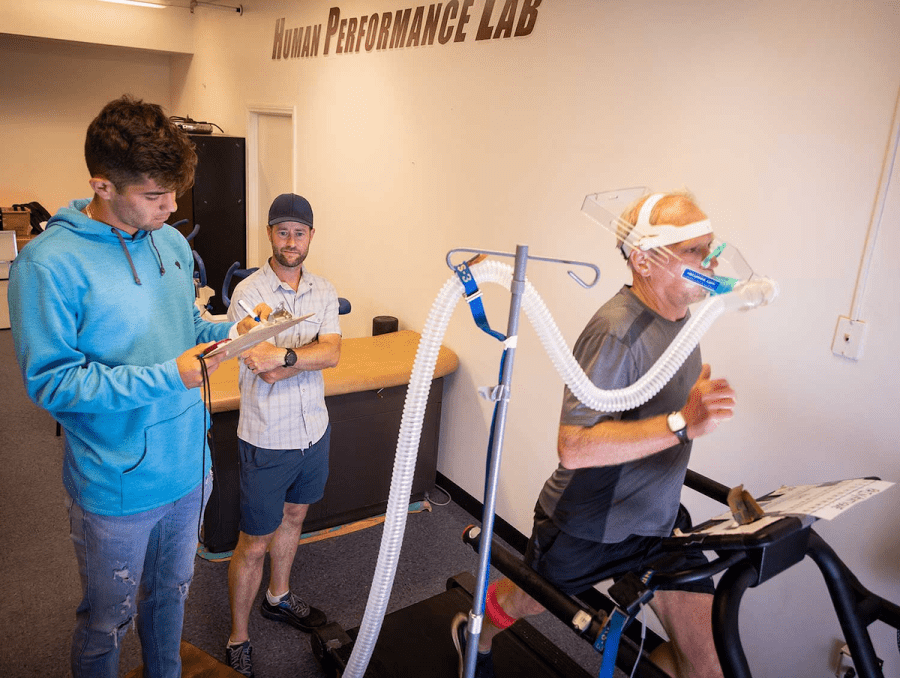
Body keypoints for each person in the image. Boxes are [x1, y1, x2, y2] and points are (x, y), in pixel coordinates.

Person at [8, 95, 262, 678]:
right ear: (102, 185)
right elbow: (54, 384)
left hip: (188, 468)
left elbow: (184, 326)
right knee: (108, 620)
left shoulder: (170, 243)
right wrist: (168, 374)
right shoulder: (47, 266)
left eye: (174, 192)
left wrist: (234, 329)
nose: (172, 208)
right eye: (155, 196)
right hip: (116, 482)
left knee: (170, 599)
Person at [451, 191, 737, 678]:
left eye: (710, 247)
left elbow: (654, 404)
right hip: (589, 523)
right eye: (693, 251)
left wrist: (689, 403)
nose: (709, 262)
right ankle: (471, 630)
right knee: (529, 600)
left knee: (708, 667)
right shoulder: (615, 332)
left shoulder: (682, 318)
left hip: (656, 519)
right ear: (643, 260)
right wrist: (681, 423)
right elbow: (575, 447)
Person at [224, 193, 341, 677]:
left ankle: (279, 596)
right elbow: (263, 369)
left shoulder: (324, 291)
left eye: (300, 232)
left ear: (312, 236)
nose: (291, 241)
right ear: (269, 234)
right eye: (282, 231)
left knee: (295, 517)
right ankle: (238, 636)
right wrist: (302, 353)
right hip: (268, 437)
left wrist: (287, 354)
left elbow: (332, 353)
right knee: (254, 542)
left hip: (314, 431)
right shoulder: (247, 294)